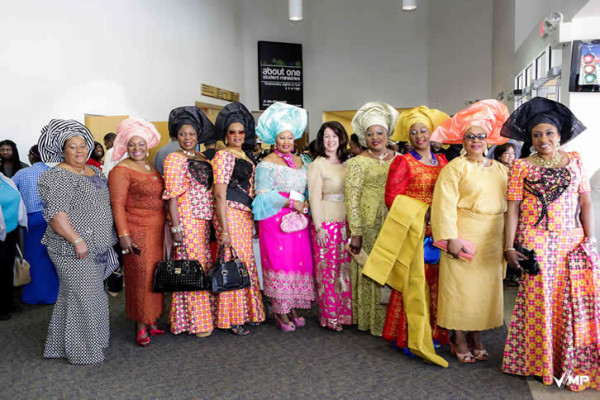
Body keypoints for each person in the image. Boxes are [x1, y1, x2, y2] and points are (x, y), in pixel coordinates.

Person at [501, 97, 599, 391]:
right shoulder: (520, 167)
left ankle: (568, 362)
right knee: (539, 300)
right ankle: (539, 362)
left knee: (571, 302)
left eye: (549, 133)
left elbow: (585, 201)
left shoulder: (577, 161)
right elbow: (513, 209)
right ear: (530, 139)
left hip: (571, 240)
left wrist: (590, 238)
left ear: (559, 135)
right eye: (537, 135)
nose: (544, 140)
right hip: (535, 240)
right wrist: (509, 246)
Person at [429, 99, 509, 363]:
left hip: (492, 238)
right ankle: (458, 336)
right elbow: (444, 205)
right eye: (470, 137)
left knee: (484, 291)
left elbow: (511, 206)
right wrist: (450, 238)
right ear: (461, 142)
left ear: (489, 140)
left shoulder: (500, 169)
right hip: (463, 236)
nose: (476, 141)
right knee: (460, 289)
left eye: (481, 136)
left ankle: (477, 335)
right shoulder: (455, 168)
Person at [37, 119, 118, 364]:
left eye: (83, 145)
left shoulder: (95, 172)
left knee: (79, 295)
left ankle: (61, 346)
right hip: (73, 248)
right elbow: (55, 214)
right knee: (85, 296)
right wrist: (76, 239)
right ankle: (83, 352)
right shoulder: (57, 176)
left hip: (99, 246)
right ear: (62, 151)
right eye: (72, 147)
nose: (80, 150)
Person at [380, 106, 450, 353]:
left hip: (439, 231)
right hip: (414, 231)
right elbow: (392, 199)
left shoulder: (443, 161)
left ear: (431, 133)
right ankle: (410, 335)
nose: (419, 136)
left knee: (436, 284)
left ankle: (433, 331)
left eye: (423, 130)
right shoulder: (403, 162)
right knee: (413, 284)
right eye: (413, 132)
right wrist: (423, 212)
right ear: (407, 138)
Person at [253, 102, 315, 332]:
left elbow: (309, 188)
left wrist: (305, 203)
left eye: (290, 138)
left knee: (297, 262)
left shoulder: (304, 162)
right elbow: (261, 196)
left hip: (299, 220)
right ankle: (280, 310)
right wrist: (290, 202)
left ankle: (292, 307)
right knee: (280, 263)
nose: (286, 142)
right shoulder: (266, 164)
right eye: (281, 138)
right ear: (274, 140)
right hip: (275, 219)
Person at [108, 118, 166, 347]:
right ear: (125, 146)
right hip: (136, 230)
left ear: (148, 144)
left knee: (153, 275)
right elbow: (117, 205)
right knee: (140, 277)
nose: (137, 148)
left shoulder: (150, 166)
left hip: (157, 231)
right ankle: (140, 326)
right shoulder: (121, 170)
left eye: (141, 143)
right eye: (132, 144)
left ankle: (151, 318)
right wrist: (124, 234)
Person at [345, 101, 399, 336]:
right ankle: (371, 321)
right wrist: (355, 232)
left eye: (379, 132)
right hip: (367, 225)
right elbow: (352, 198)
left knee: (392, 269)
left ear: (388, 134)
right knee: (370, 270)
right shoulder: (357, 163)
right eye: (370, 134)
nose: (375, 137)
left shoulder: (400, 159)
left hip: (395, 221)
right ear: (363, 137)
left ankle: (393, 320)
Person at [163, 106, 217, 337]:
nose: (188, 138)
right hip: (186, 218)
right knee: (190, 268)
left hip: (204, 220)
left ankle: (197, 317)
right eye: (183, 134)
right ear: (177, 136)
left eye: (192, 134)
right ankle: (196, 321)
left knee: (201, 266)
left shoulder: (202, 157)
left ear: (198, 136)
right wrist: (176, 227)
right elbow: (172, 196)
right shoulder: (173, 159)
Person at [213, 102, 265, 335]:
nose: (237, 135)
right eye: (232, 132)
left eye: (241, 132)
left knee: (246, 263)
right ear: (226, 135)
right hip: (230, 215)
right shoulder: (223, 156)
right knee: (233, 261)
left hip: (244, 215)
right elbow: (219, 194)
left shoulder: (244, 154)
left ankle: (249, 312)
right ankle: (232, 318)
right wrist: (224, 229)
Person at [308, 121, 352, 332]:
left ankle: (345, 314)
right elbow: (314, 198)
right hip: (326, 223)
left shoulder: (348, 163)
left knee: (345, 271)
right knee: (328, 272)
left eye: (334, 136)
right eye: (326, 136)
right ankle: (330, 316)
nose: (331, 140)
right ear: (321, 140)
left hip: (346, 223)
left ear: (341, 138)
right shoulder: (317, 165)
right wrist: (319, 227)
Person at [12, 145, 58, 305]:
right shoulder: (55, 173)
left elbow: (10, 191)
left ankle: (33, 295)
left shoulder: (22, 173)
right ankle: (53, 294)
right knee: (51, 256)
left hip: (32, 220)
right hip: (55, 219)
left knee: (33, 256)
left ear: (31, 158)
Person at [0, 173, 27, 320]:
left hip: (11, 231)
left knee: (8, 269)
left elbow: (18, 200)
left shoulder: (6, 180)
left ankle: (8, 303)